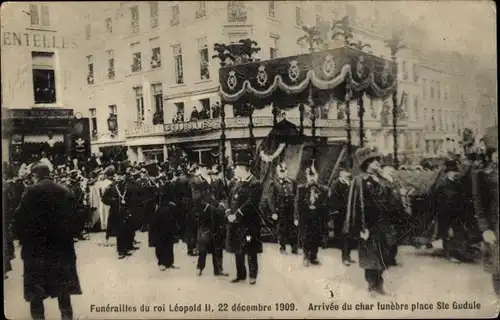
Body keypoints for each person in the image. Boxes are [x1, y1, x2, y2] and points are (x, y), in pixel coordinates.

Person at [13, 162, 82, 319]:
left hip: (36, 248)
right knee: (63, 287)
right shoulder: (65, 191)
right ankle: (66, 316)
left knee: (36, 288)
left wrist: (22, 237)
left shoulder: (30, 192)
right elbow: (77, 217)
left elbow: (18, 219)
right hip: (62, 247)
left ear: (35, 175)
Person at [343, 147, 394, 296]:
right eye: (374, 161)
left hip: (382, 224)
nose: (378, 163)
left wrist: (389, 183)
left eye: (378, 160)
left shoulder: (382, 180)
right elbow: (355, 205)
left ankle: (379, 284)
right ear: (367, 163)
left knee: (382, 256)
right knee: (370, 258)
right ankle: (373, 286)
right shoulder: (359, 180)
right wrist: (359, 227)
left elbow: (390, 201)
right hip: (367, 226)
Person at [226, 149, 263, 285]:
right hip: (236, 224)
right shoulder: (236, 183)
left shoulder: (255, 184)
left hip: (249, 225)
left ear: (243, 168)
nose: (234, 170)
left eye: (236, 168)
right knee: (238, 249)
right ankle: (240, 274)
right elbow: (229, 200)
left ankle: (252, 275)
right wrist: (229, 213)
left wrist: (237, 215)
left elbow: (251, 203)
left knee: (250, 248)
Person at [192, 153, 229, 277]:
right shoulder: (196, 182)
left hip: (217, 217)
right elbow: (197, 199)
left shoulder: (218, 181)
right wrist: (212, 207)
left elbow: (224, 196)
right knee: (203, 242)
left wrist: (222, 206)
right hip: (204, 217)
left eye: (207, 167)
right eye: (203, 167)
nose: (205, 169)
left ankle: (218, 269)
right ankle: (200, 266)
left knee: (217, 243)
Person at [472, 149, 499, 296]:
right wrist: (485, 229)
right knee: (497, 268)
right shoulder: (483, 175)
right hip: (495, 227)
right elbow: (479, 204)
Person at [102, 163, 141, 259]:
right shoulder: (111, 187)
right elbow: (104, 199)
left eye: (122, 175)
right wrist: (113, 201)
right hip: (116, 213)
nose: (120, 177)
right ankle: (120, 251)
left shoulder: (128, 186)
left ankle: (127, 248)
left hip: (127, 211)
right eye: (118, 175)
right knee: (119, 232)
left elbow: (134, 196)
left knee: (127, 230)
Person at [294, 160, 329, 266]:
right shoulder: (301, 189)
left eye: (314, 175)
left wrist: (327, 219)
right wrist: (296, 217)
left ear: (317, 176)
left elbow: (326, 204)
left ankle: (313, 256)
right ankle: (306, 256)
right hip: (305, 216)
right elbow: (297, 203)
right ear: (306, 176)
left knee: (316, 236)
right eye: (310, 175)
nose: (312, 178)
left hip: (318, 217)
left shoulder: (323, 189)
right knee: (305, 236)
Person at [268, 162, 298, 254]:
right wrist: (273, 212)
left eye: (284, 171)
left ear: (287, 171)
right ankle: (282, 247)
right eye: (281, 171)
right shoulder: (273, 183)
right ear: (277, 172)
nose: (283, 173)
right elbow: (270, 199)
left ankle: (294, 247)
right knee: (282, 230)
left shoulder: (292, 182)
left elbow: (296, 196)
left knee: (293, 228)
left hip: (291, 210)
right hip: (280, 211)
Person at [330, 165, 355, 266]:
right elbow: (333, 198)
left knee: (350, 235)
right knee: (343, 235)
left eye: (348, 171)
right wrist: (335, 211)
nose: (347, 173)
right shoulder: (337, 183)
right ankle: (344, 257)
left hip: (350, 213)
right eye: (345, 171)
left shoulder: (350, 183)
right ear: (341, 173)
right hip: (341, 214)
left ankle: (348, 255)